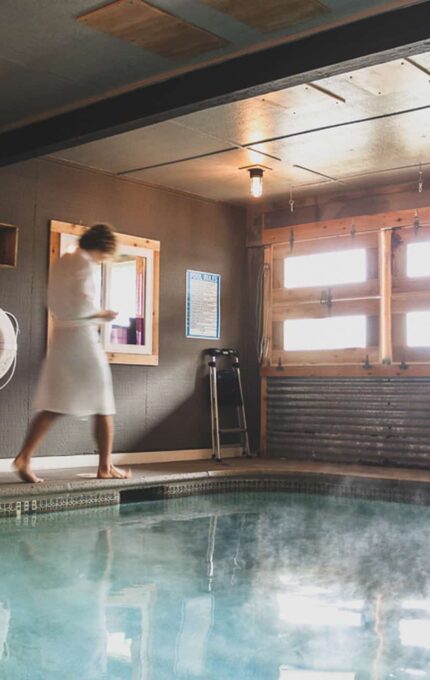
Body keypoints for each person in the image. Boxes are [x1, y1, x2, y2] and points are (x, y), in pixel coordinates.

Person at [14, 223, 130, 483]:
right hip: (82, 339)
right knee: (103, 402)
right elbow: (84, 305)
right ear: (104, 247)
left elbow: (55, 302)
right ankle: (105, 467)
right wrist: (104, 314)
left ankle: (24, 456)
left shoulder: (64, 260)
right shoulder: (86, 264)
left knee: (55, 403)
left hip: (62, 338)